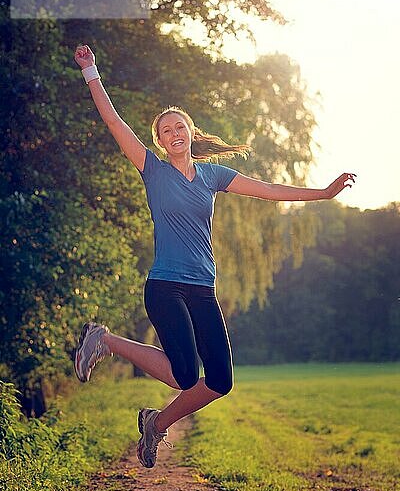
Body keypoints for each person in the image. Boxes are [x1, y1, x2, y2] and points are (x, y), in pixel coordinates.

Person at [73, 44, 356, 469]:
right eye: (166, 130)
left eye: (179, 126)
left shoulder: (213, 175)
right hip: (166, 285)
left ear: (190, 132)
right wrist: (91, 70)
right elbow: (113, 121)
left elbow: (271, 191)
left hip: (203, 289)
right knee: (185, 375)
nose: (174, 133)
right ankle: (105, 339)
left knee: (219, 381)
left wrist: (324, 193)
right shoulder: (153, 170)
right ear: (160, 141)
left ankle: (156, 423)